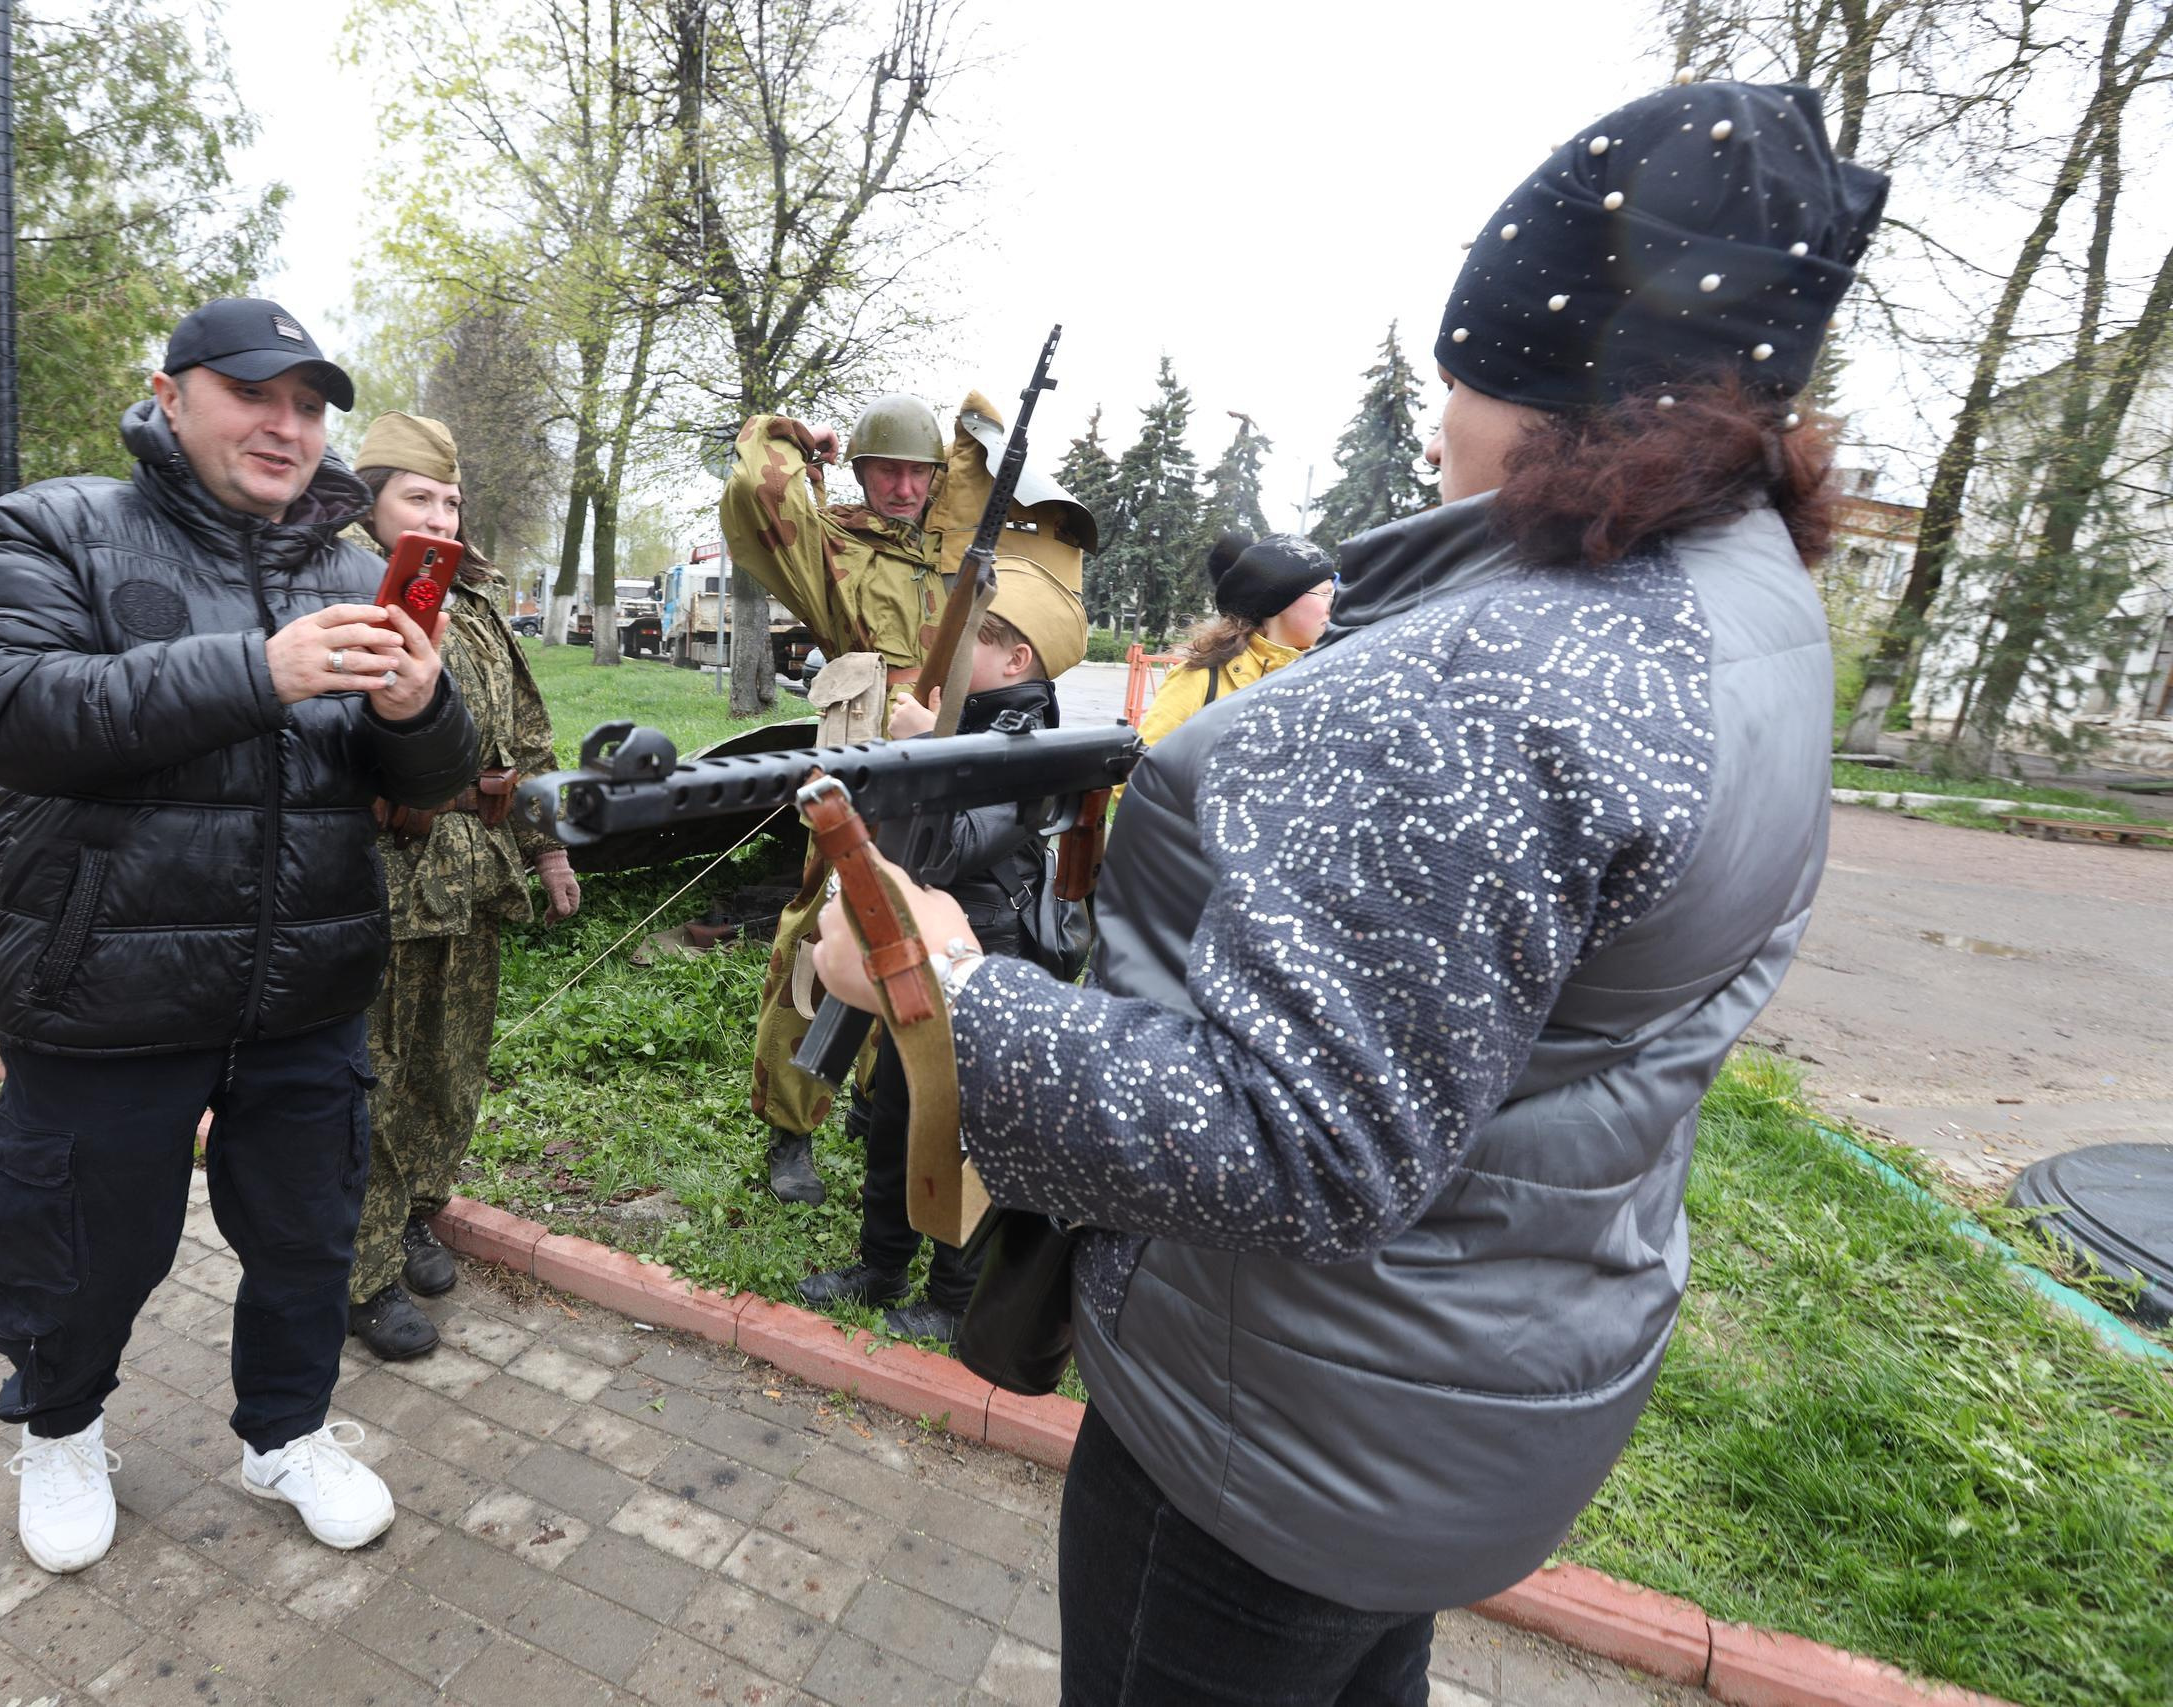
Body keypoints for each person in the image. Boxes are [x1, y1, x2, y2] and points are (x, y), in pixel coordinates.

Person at [816, 81, 1884, 1704]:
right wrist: (1357, 645)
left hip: (1275, 1436)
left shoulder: (1515, 684)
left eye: (1472, 359)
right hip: (1472, 1394)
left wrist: (942, 980)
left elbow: (1291, 1143)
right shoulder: (1747, 615)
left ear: (1552, 373)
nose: (1444, 414)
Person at [0, 299, 479, 1576]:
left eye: (309, 404)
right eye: (253, 395)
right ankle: (58, 1429)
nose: (288, 427)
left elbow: (430, 779)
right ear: (170, 396)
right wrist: (255, 670)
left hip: (308, 990)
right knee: (75, 1243)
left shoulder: (355, 566)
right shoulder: (54, 527)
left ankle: (283, 1433)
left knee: (307, 1236)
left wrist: (420, 705)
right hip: (107, 983)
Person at [337, 411, 580, 1360]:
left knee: (448, 1069)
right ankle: (357, 1274)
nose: (440, 513)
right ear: (370, 505)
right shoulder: (348, 591)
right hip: (383, 881)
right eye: (417, 496)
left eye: (450, 499)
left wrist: (549, 850)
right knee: (373, 1078)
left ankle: (412, 1213)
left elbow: (528, 742)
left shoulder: (468, 602)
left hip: (472, 878)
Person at [796, 561, 1087, 1342]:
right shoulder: (972, 724)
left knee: (961, 1131)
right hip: (924, 945)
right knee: (894, 1112)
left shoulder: (1026, 746)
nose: (946, 654)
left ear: (1014, 660)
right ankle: (880, 1263)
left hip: (979, 960)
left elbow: (953, 844)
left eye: (967, 644)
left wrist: (933, 747)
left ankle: (954, 1296)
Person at [719, 393, 951, 1204]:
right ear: (860, 470)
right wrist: (790, 437)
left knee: (927, 929)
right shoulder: (836, 547)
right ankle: (791, 1124)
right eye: (884, 468)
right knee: (823, 932)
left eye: (916, 470)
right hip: (860, 766)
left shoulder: (958, 556)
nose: (900, 485)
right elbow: (759, 495)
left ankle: (880, 1093)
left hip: (947, 767)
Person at [1135, 533, 1336, 747]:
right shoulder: (1199, 679)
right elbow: (1143, 768)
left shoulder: (1325, 679)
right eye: (1325, 594)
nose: (1332, 606)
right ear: (1280, 601)